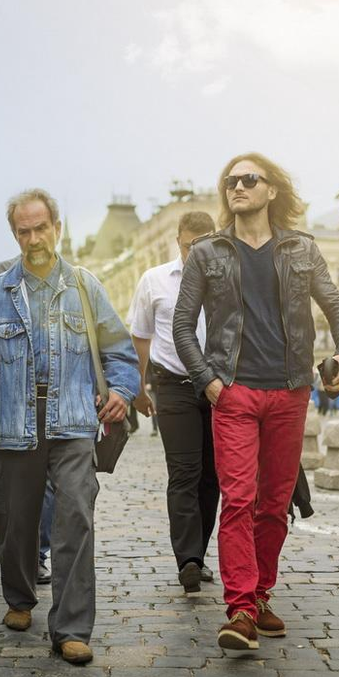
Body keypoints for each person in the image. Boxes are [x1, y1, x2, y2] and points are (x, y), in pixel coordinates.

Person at [0, 188, 139, 665]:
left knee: (75, 518)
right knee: (16, 521)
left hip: (72, 422)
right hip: (13, 424)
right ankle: (19, 595)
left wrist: (121, 390)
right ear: (15, 234)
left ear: (57, 228)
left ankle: (71, 627)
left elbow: (119, 351)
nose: (34, 238)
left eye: (40, 228)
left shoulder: (86, 287)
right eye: (24, 231)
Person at [173, 153, 339, 651]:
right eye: (230, 180)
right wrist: (209, 381)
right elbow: (183, 326)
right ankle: (239, 610)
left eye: (248, 179)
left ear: (271, 189)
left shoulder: (301, 248)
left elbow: (336, 306)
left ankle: (259, 594)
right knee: (238, 499)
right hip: (234, 391)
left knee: (275, 505)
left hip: (291, 390)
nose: (237, 186)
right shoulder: (208, 252)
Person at [129, 210, 219, 593]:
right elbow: (140, 336)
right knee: (184, 471)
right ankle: (189, 560)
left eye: (204, 246)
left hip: (218, 389)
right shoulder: (155, 281)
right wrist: (138, 385)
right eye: (188, 247)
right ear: (178, 242)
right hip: (174, 386)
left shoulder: (228, 281)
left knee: (213, 477)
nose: (195, 254)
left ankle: (198, 550)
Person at [0, 255, 53, 585]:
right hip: (8, 403)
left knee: (48, 485)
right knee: (3, 484)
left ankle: (36, 552)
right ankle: (7, 537)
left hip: (52, 402)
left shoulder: (71, 281)